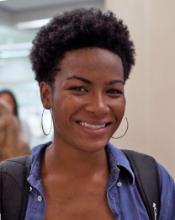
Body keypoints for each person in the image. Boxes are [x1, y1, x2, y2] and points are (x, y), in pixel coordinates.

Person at [1, 8, 175, 219]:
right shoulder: (8, 187)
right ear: (46, 95)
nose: (100, 107)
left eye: (113, 91)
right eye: (79, 89)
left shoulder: (153, 183)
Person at [0, 89, 31, 160]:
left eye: (8, 102)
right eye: (2, 100)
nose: (5, 105)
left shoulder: (23, 125)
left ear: (14, 105)